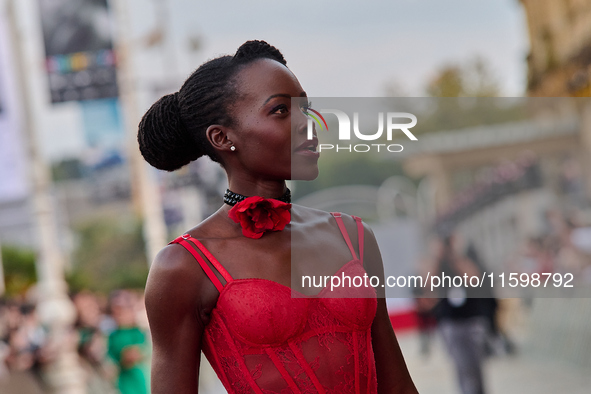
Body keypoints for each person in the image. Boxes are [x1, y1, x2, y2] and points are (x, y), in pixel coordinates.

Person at [139, 40, 417, 393]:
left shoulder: (353, 236)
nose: (309, 123)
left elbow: (398, 384)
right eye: (281, 111)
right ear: (222, 137)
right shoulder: (182, 266)